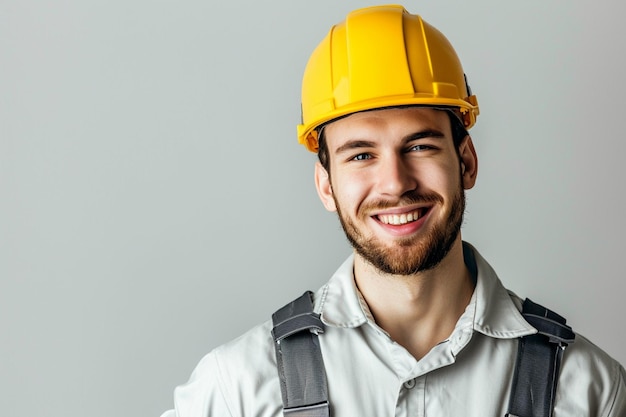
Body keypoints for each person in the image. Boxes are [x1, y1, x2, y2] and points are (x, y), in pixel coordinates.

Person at [161, 5, 625, 416]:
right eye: (361, 155)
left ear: (465, 162)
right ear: (326, 185)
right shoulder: (238, 390)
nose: (396, 183)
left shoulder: (588, 391)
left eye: (419, 146)